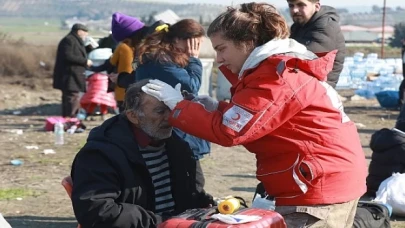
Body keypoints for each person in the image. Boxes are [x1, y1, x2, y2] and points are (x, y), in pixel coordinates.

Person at [142, 3, 367, 227]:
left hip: (318, 188)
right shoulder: (275, 69)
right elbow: (257, 118)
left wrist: (179, 105)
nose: (219, 59)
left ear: (247, 42)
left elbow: (229, 131)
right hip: (326, 178)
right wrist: (215, 107)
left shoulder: (275, 77)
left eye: (222, 49)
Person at [70, 79, 215, 228]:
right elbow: (97, 211)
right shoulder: (100, 154)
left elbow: (194, 194)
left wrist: (215, 209)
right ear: (133, 116)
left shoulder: (177, 145)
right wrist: (163, 222)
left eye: (171, 109)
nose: (169, 117)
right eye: (160, 111)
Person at [117, 19, 211, 160]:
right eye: (194, 43)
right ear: (179, 39)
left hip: (168, 128)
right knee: (190, 179)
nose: (196, 48)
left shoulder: (162, 58)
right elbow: (191, 87)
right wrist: (194, 59)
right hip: (168, 129)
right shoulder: (162, 60)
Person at [288, 0, 345, 88]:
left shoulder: (325, 26)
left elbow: (307, 57)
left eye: (301, 5)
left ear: (317, 6)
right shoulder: (299, 26)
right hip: (303, 86)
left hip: (318, 90)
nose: (295, 10)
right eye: (291, 6)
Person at [53, 23, 93, 117]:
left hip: (73, 74)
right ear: (79, 32)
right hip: (69, 75)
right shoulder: (69, 40)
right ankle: (71, 118)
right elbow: (68, 56)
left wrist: (88, 48)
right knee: (72, 96)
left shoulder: (75, 40)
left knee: (72, 96)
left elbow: (77, 53)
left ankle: (69, 117)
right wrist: (85, 61)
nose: (86, 35)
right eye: (85, 33)